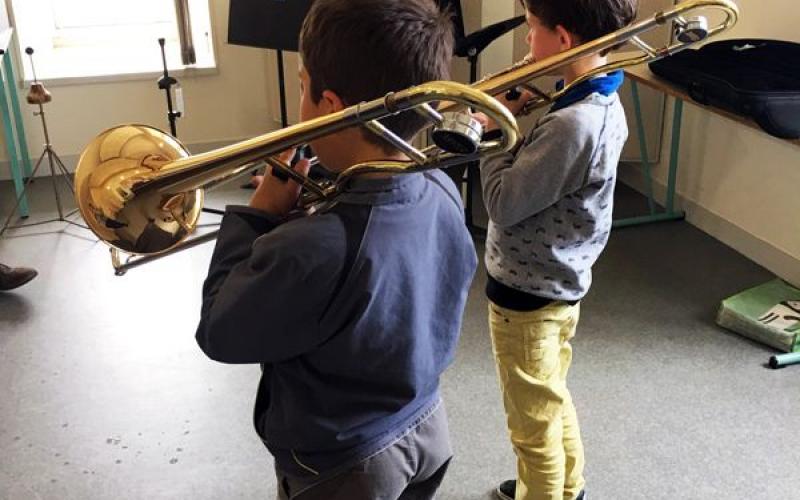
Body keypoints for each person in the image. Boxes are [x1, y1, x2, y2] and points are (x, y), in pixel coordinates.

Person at [195, 1, 477, 499]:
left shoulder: (311, 247)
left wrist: (256, 217)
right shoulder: (439, 184)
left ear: (327, 103)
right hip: (425, 424)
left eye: (302, 85)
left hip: (344, 465)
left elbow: (220, 330)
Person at [476, 0, 637, 499]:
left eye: (531, 30)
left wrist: (492, 134)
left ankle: (543, 491)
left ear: (564, 39)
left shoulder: (572, 125)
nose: (527, 43)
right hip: (559, 281)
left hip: (526, 292)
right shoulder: (600, 96)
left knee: (531, 427)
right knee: (550, 399)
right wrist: (525, 106)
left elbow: (503, 202)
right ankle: (568, 489)